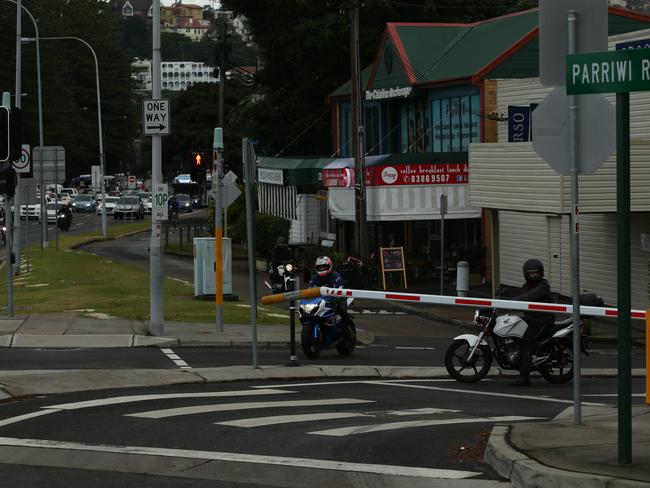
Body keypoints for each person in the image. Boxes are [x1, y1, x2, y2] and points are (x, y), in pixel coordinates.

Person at [511, 258, 555, 387]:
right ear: (526, 274)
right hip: (531, 318)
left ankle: (524, 377)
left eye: (536, 272)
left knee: (526, 342)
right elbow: (524, 299)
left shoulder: (543, 286)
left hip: (542, 320)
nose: (534, 275)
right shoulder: (526, 286)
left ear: (540, 273)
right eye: (532, 273)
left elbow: (529, 297)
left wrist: (510, 302)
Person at [308, 256, 352, 325]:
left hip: (337, 299)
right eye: (320, 267)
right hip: (320, 300)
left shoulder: (336, 276)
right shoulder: (314, 278)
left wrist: (334, 299)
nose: (322, 268)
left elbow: (339, 289)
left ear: (329, 265)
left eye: (324, 267)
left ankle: (347, 329)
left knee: (342, 310)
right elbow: (310, 289)